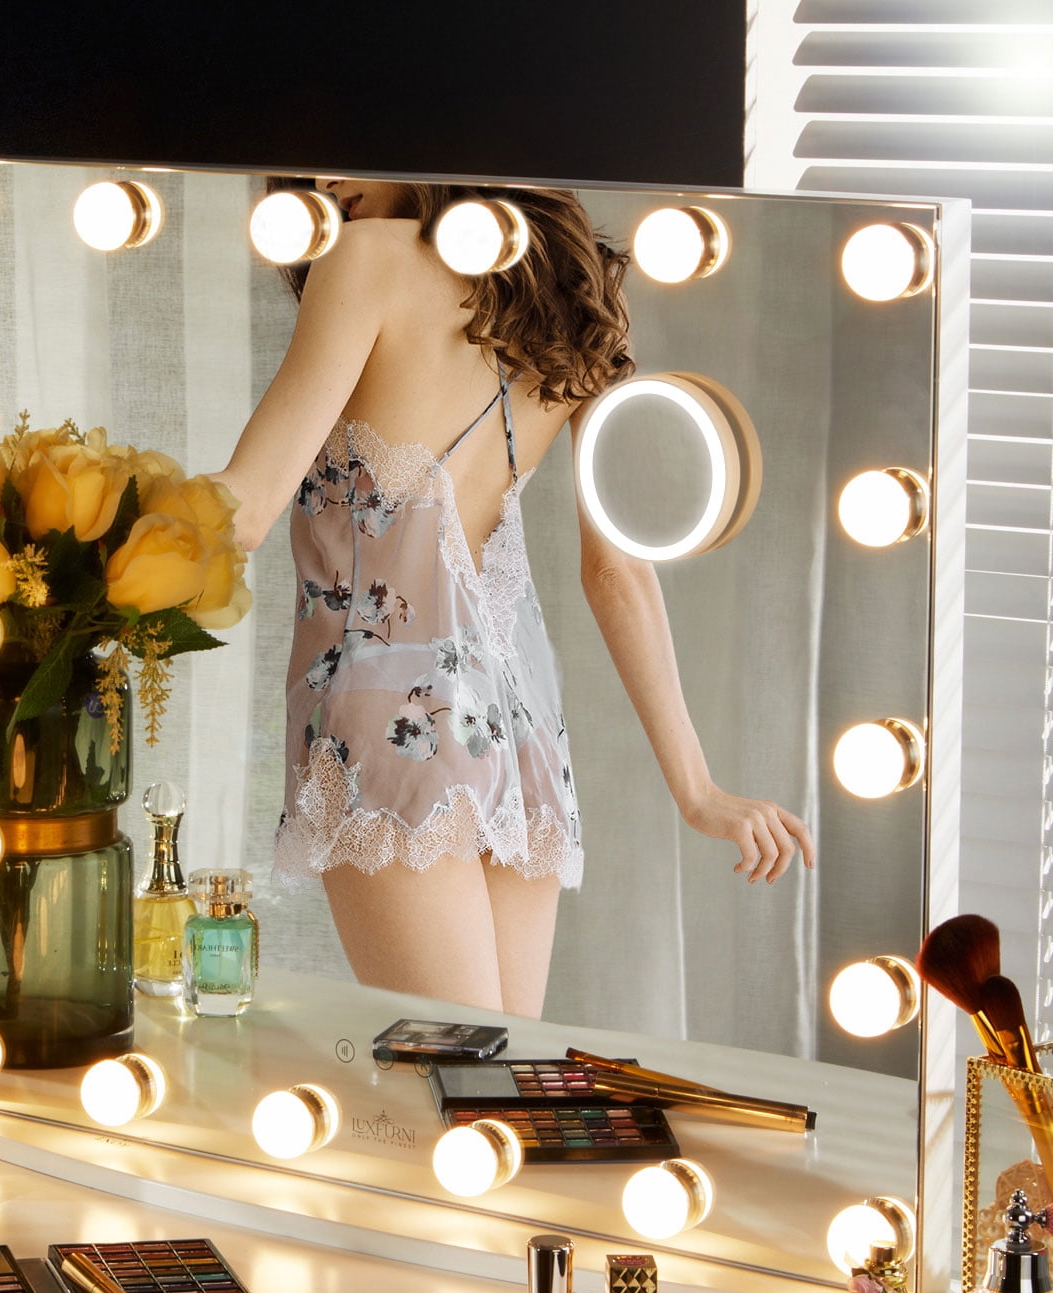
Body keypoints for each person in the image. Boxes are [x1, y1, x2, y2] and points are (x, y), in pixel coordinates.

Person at [215, 179, 814, 1019]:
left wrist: (77, 508)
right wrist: (696, 787)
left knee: (454, 1077)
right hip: (522, 733)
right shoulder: (579, 295)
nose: (318, 184)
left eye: (337, 147)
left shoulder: (363, 258)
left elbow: (242, 509)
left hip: (390, 720)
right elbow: (616, 571)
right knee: (497, 1076)